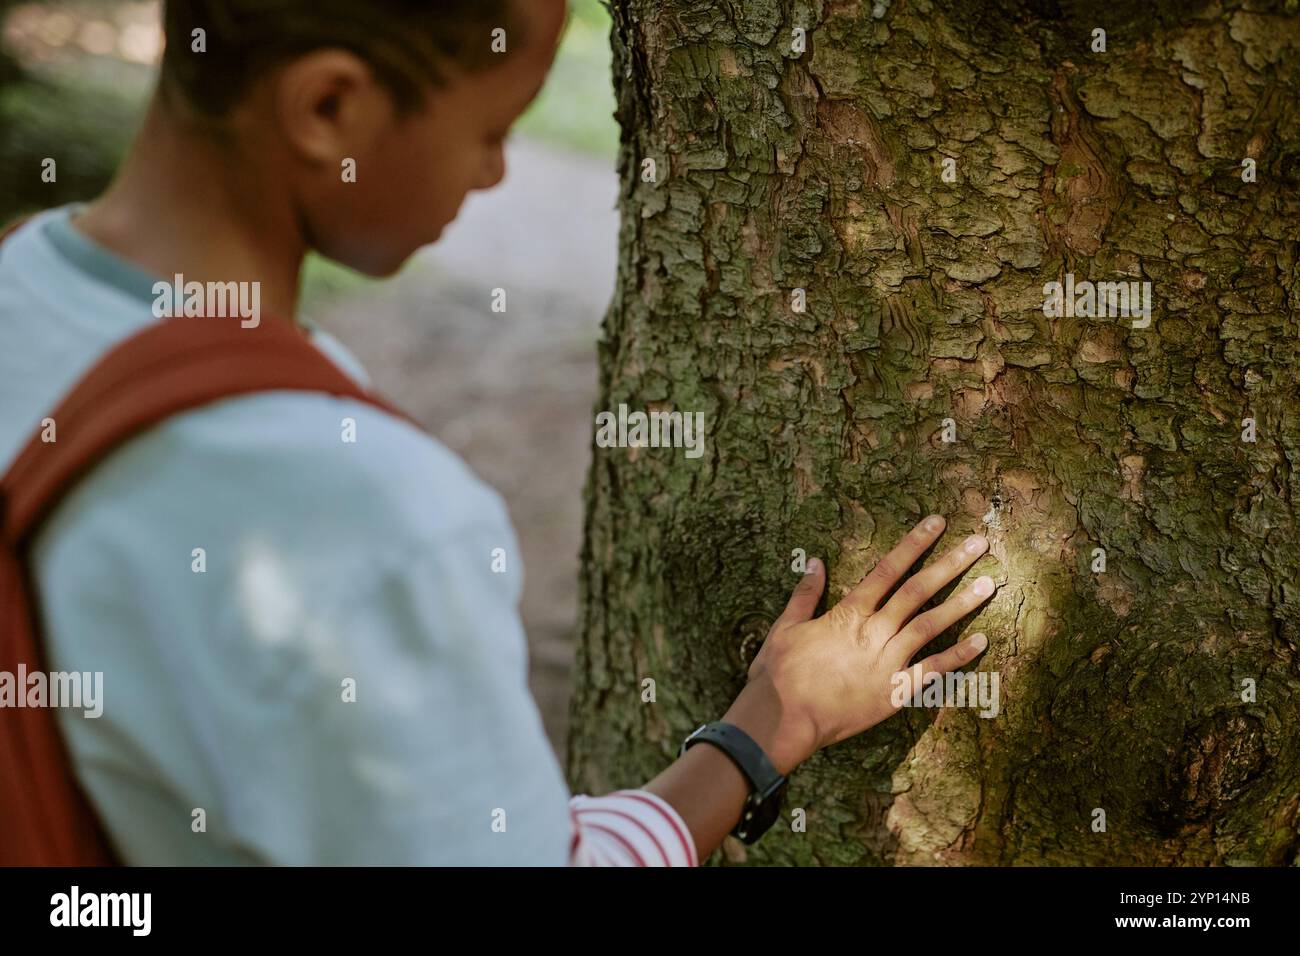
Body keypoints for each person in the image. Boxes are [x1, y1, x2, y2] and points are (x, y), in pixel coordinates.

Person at [0, 0, 997, 865]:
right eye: (491, 128)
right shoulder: (363, 509)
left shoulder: (20, 290)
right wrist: (771, 724)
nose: (491, 174)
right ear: (329, 109)